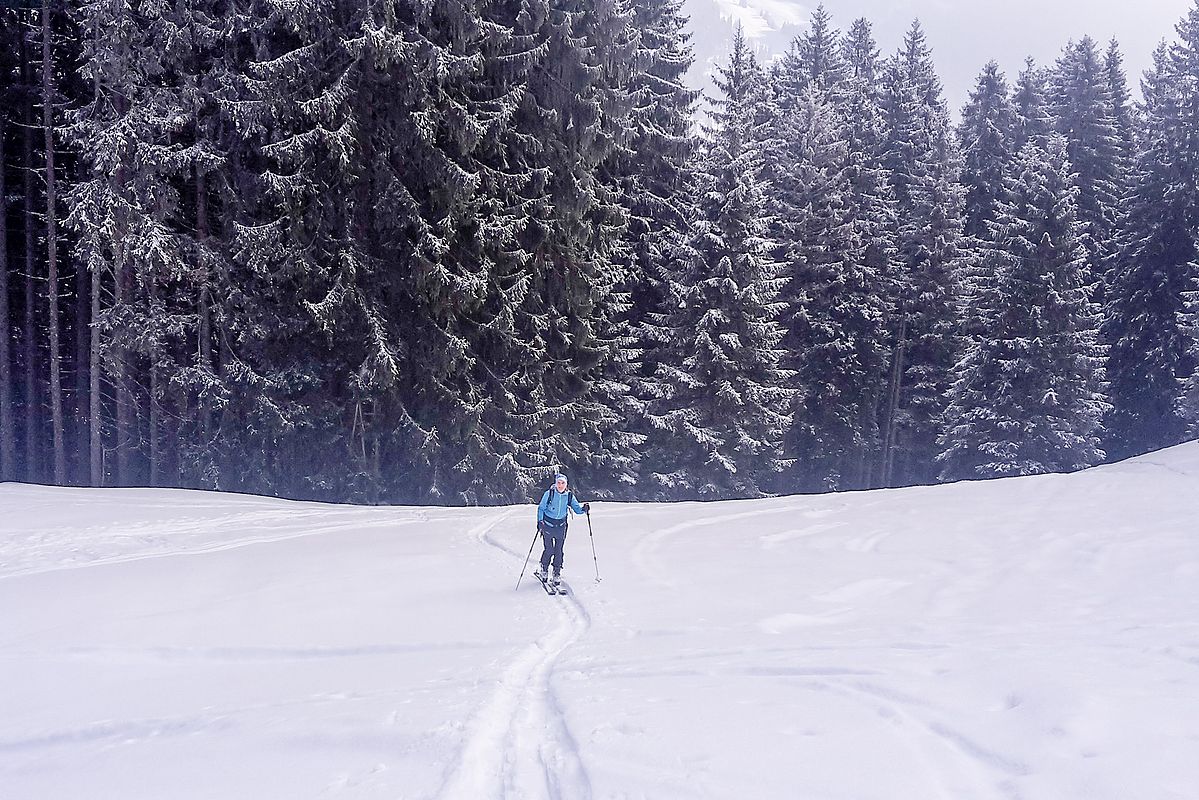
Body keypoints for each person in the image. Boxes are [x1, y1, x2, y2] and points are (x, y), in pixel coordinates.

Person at [534, 473, 590, 587]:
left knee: (559, 550)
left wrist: (584, 509)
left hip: (561, 526)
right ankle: (544, 568)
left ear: (566, 484)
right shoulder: (549, 494)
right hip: (548, 525)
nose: (560, 485)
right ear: (555, 483)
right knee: (549, 549)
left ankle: (556, 571)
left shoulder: (569, 496)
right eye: (558, 483)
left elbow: (577, 509)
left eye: (563, 483)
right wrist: (540, 521)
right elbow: (541, 508)